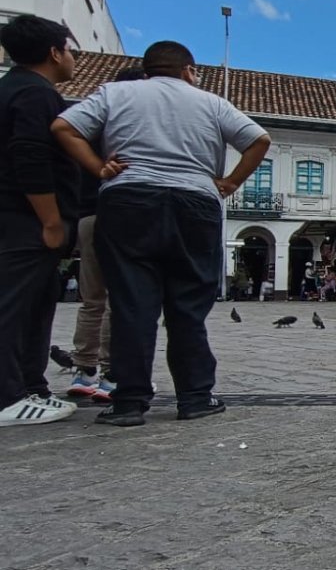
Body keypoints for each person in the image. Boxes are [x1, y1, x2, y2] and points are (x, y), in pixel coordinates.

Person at [53, 40, 271, 427]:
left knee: (131, 305)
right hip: (194, 201)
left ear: (149, 68)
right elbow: (258, 139)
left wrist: (99, 166)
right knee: (188, 305)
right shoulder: (210, 102)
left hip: (128, 199)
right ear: (188, 70)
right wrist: (231, 181)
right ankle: (195, 396)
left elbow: (64, 127)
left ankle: (129, 401)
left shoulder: (115, 93)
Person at [0, 15, 81, 426]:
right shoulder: (34, 94)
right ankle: (7, 396)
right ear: (54, 52)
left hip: (19, 215)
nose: (72, 57)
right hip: (24, 217)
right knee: (14, 305)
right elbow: (29, 157)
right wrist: (50, 220)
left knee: (32, 304)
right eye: (69, 49)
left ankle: (29, 385)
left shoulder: (16, 89)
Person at [66, 65, 145, 402]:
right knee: (120, 297)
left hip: (88, 214)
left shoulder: (89, 125)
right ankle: (113, 373)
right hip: (123, 212)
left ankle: (84, 371)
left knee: (91, 299)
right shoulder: (134, 126)